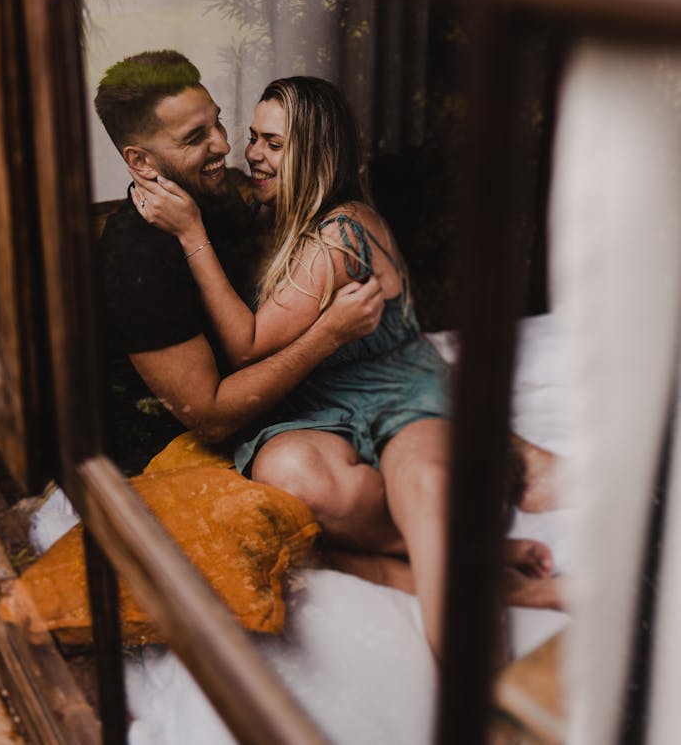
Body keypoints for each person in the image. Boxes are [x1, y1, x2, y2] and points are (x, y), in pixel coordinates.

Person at [130, 76, 564, 658]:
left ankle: (476, 695)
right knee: (289, 476)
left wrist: (189, 233)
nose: (254, 154)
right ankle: (475, 562)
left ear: (314, 154)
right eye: (254, 137)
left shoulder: (342, 232)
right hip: (322, 405)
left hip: (398, 393)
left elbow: (248, 344)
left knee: (425, 483)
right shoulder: (267, 214)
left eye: (275, 144)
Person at [94, 52, 385, 477]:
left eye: (218, 122)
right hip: (178, 458)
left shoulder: (218, 196)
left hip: (274, 412)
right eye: (196, 138)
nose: (226, 146)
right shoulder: (136, 255)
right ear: (140, 161)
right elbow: (212, 418)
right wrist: (329, 334)